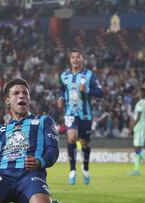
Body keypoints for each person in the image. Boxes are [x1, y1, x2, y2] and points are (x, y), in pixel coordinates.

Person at [0, 78, 59, 203]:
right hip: (1, 176)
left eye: (25, 93)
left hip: (30, 176)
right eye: (16, 93)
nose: (21, 96)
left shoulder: (44, 121)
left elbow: (53, 150)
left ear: (29, 99)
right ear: (7, 101)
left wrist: (38, 162)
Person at [57, 49, 103, 185]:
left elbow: (100, 92)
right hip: (70, 113)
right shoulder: (64, 76)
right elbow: (62, 89)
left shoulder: (89, 75)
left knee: (84, 143)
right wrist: (60, 98)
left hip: (85, 114)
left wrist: (88, 90)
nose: (75, 59)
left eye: (78, 57)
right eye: (73, 57)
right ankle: (72, 170)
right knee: (71, 137)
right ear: (70, 60)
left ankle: (86, 169)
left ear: (82, 59)